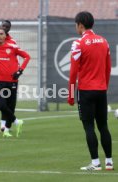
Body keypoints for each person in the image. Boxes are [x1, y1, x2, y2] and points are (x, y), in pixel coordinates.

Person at [68, 11, 113, 171]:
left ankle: (95, 163)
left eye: (76, 25)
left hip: (86, 91)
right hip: (101, 90)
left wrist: (71, 94)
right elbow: (108, 68)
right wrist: (104, 86)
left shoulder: (78, 44)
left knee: (89, 127)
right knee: (103, 126)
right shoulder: (104, 41)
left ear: (80, 25)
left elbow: (73, 72)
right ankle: (109, 162)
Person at [0, 27, 31, 138]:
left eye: (1, 34)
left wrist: (20, 71)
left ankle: (7, 130)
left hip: (12, 81)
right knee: (2, 105)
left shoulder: (12, 47)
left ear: (5, 36)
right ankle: (17, 121)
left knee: (11, 106)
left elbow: (27, 57)